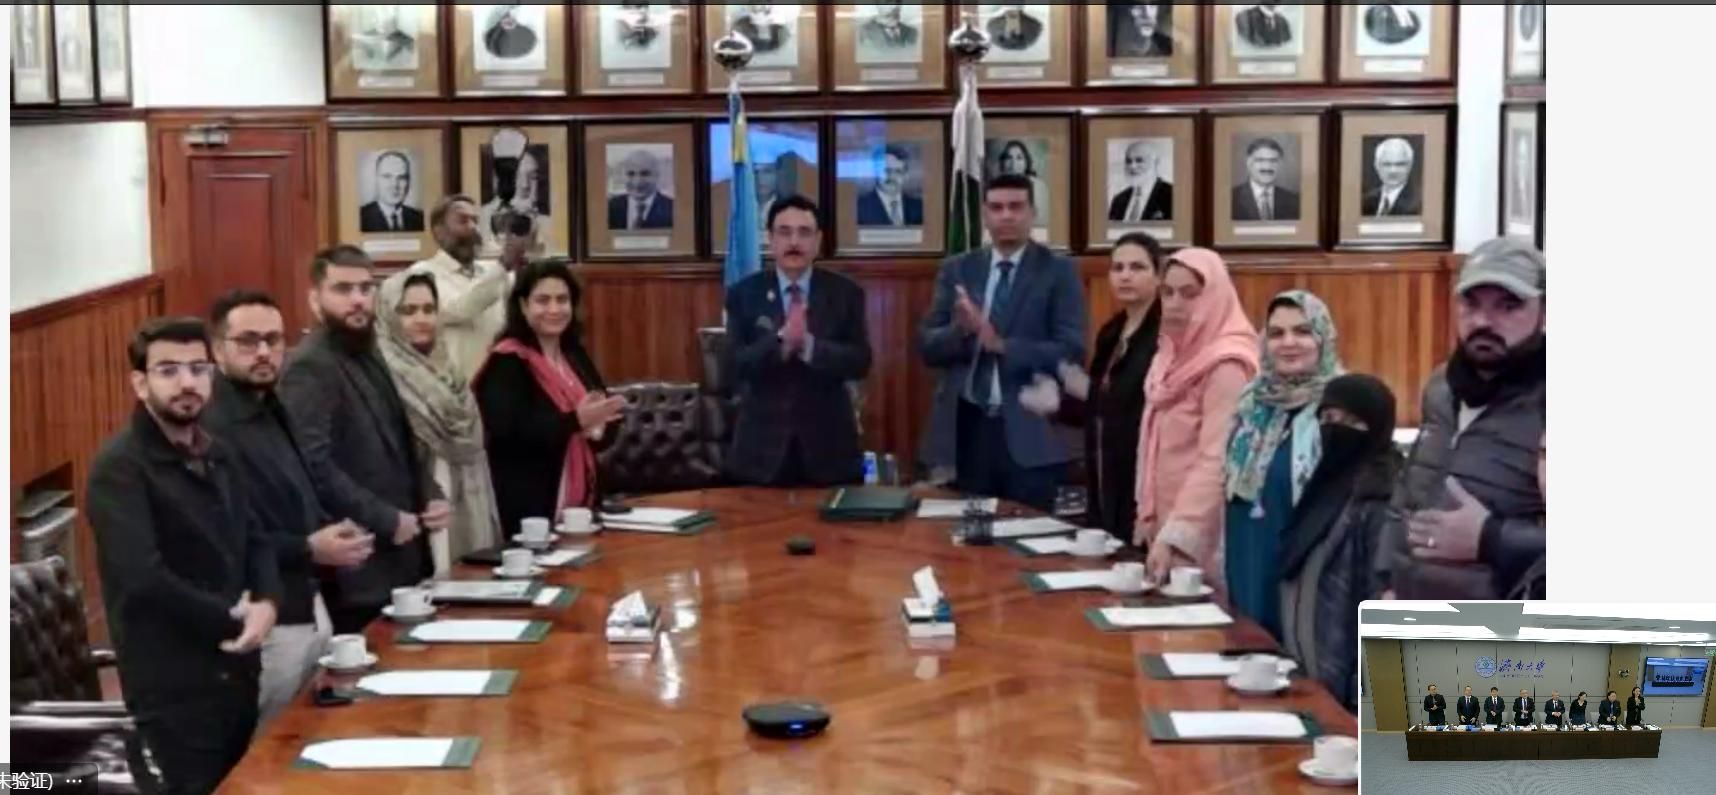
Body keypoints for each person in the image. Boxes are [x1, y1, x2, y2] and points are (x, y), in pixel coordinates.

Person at [88, 317, 282, 794]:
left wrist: (268, 601)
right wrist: (233, 618)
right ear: (140, 383)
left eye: (198, 369)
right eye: (169, 370)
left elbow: (256, 534)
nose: (187, 383)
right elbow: (144, 579)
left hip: (235, 672)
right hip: (174, 686)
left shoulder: (219, 451)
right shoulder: (119, 469)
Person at [203, 291, 373, 730]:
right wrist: (309, 547)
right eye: (248, 341)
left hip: (306, 601)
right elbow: (221, 538)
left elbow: (296, 494)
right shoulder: (210, 428)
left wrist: (331, 532)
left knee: (304, 733)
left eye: (273, 340)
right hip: (261, 617)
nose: (263, 352)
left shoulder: (272, 405)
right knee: (266, 747)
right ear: (218, 349)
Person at [280, 246, 450, 633]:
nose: (357, 299)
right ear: (315, 299)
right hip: (358, 561)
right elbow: (313, 465)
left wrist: (430, 493)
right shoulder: (310, 365)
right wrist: (386, 519)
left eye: (365, 288)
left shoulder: (369, 349)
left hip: (404, 552)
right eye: (342, 289)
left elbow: (400, 438)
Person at [1378, 238, 1545, 599]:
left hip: (1500, 624)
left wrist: (1491, 538)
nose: (1483, 321)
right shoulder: (1441, 386)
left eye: (1508, 306)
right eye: (1471, 303)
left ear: (1545, 313)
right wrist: (1384, 580)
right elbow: (1408, 492)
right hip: (1412, 610)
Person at [919, 174, 1087, 512]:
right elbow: (927, 347)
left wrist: (1001, 345)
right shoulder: (957, 269)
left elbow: (1071, 350)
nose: (1006, 216)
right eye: (996, 208)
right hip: (967, 433)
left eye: (1016, 207)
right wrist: (961, 330)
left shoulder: (1058, 271)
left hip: (1031, 435)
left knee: (1030, 534)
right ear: (984, 215)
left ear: (1032, 213)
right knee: (967, 538)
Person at [725, 197, 872, 487]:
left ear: (818, 241)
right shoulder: (744, 293)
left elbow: (860, 361)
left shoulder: (845, 293)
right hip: (760, 453)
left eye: (804, 233)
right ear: (770, 239)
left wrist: (808, 346)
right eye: (784, 232)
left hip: (830, 451)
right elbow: (734, 365)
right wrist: (781, 342)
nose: (794, 242)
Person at [1133, 249, 1259, 584]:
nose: (1175, 304)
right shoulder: (1169, 354)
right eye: (1167, 292)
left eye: (1189, 294)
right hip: (1166, 520)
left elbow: (1216, 458)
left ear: (1214, 297)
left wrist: (1178, 535)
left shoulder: (1227, 364)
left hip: (1203, 528)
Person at [474, 261, 628, 536]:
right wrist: (575, 422)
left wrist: (599, 428)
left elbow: (603, 420)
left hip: (582, 504)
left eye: (562, 300)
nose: (554, 309)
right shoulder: (507, 361)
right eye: (543, 300)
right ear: (523, 306)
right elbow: (506, 432)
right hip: (529, 504)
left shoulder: (575, 355)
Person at [1278, 373, 1401, 712]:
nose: (1335, 429)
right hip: (1306, 684)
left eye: (1353, 422)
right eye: (1329, 418)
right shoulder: (1320, 490)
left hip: (1346, 701)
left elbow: (1380, 606)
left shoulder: (1382, 500)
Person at [1224, 291, 1342, 639]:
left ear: (1322, 337)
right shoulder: (1251, 403)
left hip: (1304, 559)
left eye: (1302, 331)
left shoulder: (1341, 405)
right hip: (1247, 550)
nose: (1288, 343)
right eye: (1276, 333)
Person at [376, 271, 504, 575]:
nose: (421, 319)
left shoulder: (449, 371)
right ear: (388, 316)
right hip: (421, 503)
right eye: (408, 311)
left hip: (466, 492)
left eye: (429, 309)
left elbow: (471, 440)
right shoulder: (382, 372)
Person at [1045, 232, 1162, 543]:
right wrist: (1059, 404)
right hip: (1102, 466)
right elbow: (1097, 407)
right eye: (1118, 268)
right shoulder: (1111, 331)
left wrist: (1086, 391)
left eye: (1137, 267)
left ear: (1158, 276)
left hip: (1142, 470)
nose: (1125, 276)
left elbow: (1138, 405)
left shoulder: (1164, 334)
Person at [408, 195, 512, 382]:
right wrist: (504, 265)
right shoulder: (421, 274)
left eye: (475, 221)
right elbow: (459, 309)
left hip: (498, 385)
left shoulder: (492, 272)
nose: (472, 228)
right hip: (452, 387)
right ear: (439, 231)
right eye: (463, 220)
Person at [1231, 138, 1300, 222]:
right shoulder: (1231, 199)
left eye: (1273, 160)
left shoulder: (1295, 201)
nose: (1267, 166)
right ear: (1249, 163)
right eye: (1260, 160)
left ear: (1280, 164)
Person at [856, 145, 925, 227]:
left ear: (905, 175)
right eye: (887, 171)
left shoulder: (919, 207)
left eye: (898, 171)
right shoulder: (858, 208)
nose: (892, 177)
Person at [607, 148, 674, 230]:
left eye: (645, 174)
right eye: (631, 174)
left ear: (657, 176)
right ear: (623, 177)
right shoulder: (610, 207)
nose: (637, 181)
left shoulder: (672, 210)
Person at [1107, 141, 1173, 223]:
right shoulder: (1119, 200)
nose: (1132, 166)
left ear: (1155, 163)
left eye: (1139, 160)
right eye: (1128, 161)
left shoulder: (1171, 194)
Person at [359, 151, 425, 233]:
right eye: (387, 177)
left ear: (409, 181)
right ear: (376, 180)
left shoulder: (419, 218)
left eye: (401, 178)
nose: (395, 185)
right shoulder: (361, 218)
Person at [991, 140, 1051, 220]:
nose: (1013, 163)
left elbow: (1042, 219)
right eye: (1009, 158)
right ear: (1003, 163)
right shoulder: (994, 188)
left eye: (1019, 158)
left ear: (1026, 162)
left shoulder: (1038, 187)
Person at [1362, 137, 1421, 217]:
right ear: (1376, 166)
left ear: (1410, 166)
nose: (1393, 171)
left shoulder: (1418, 203)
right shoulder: (1365, 201)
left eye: (1400, 164)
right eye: (1387, 164)